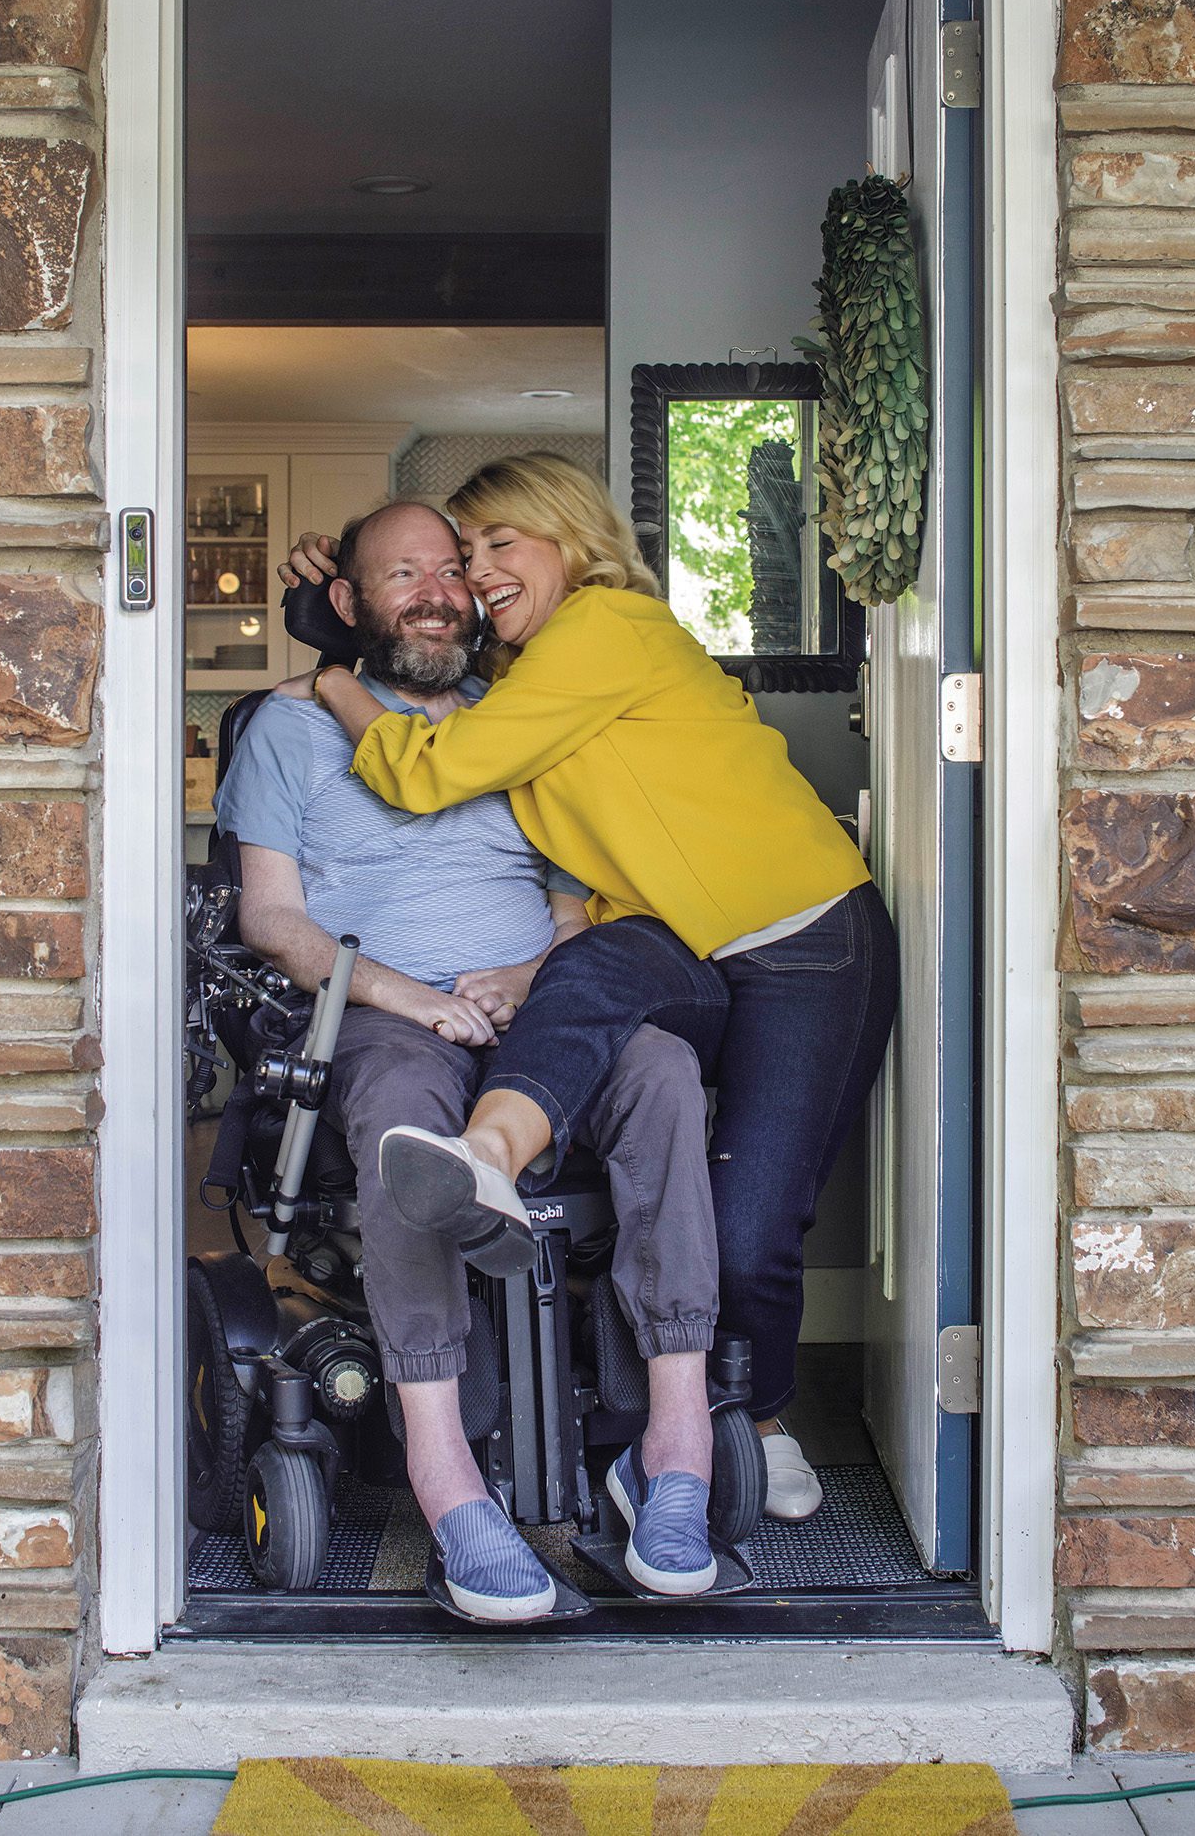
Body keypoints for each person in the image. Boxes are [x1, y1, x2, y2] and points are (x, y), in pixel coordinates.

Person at [283, 455, 900, 1525]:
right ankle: (486, 1158)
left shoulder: (606, 630)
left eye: (497, 546)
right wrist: (344, 589)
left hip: (804, 941)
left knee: (754, 1223)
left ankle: (753, 1420)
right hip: (685, 946)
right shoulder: (523, 683)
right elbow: (439, 672)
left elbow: (424, 769)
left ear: (570, 537)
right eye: (464, 561)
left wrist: (331, 675)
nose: (478, 576)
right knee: (589, 966)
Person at [218, 499, 724, 1622]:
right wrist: (412, 998)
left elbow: (574, 904)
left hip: (539, 1005)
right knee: (407, 1116)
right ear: (347, 602)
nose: (439, 591)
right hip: (382, 1006)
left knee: (661, 1073)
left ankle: (674, 1445)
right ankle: (447, 1480)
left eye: (450, 569)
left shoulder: (518, 718)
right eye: (404, 574)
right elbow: (272, 921)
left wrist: (534, 982)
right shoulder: (290, 728)